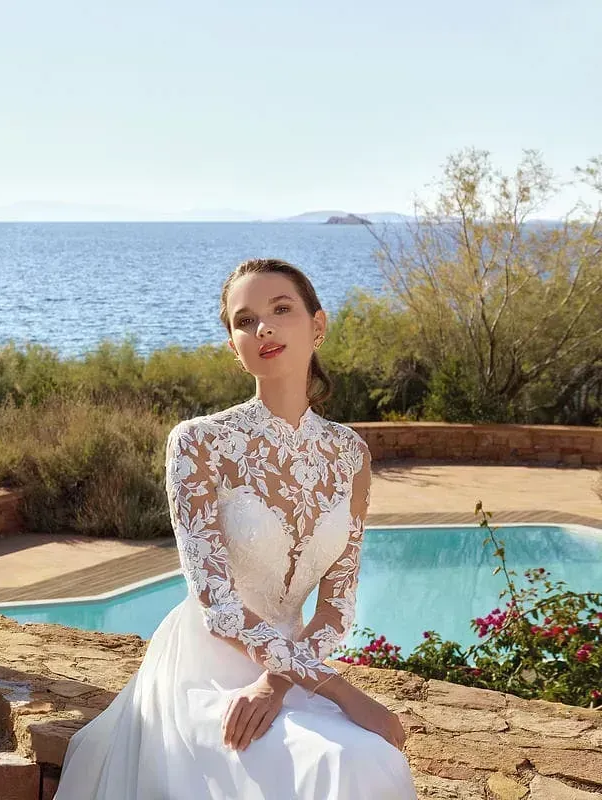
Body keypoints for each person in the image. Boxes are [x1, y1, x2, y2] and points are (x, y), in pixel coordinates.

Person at [54, 258, 418, 799]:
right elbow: (217, 604)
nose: (262, 328)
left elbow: (336, 609)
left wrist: (277, 681)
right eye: (243, 321)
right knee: (343, 761)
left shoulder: (350, 454)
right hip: (203, 668)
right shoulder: (199, 443)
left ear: (318, 325)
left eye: (280, 310)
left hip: (291, 667)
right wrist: (344, 692)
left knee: (369, 759)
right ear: (232, 345)